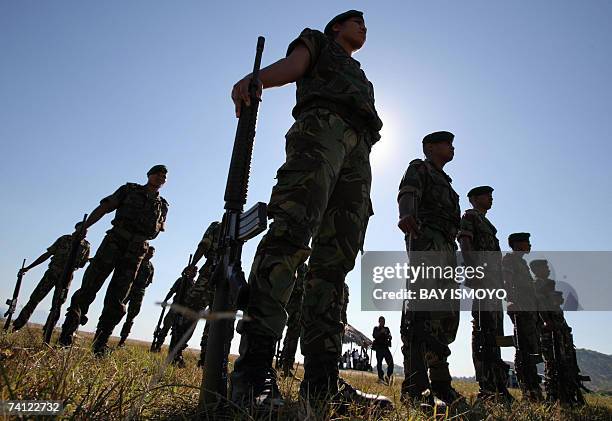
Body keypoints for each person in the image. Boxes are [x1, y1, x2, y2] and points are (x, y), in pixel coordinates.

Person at [229, 10, 391, 414]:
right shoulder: (317, 42)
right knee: (291, 234)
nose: (363, 28)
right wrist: (257, 80)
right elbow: (294, 66)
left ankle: (322, 383)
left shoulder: (361, 75)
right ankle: (252, 373)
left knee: (334, 265)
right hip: (321, 131)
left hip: (360, 150)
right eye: (356, 22)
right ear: (337, 27)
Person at [58, 165, 169, 356]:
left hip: (135, 252)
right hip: (114, 242)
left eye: (164, 176)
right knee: (90, 286)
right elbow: (105, 207)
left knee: (118, 298)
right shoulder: (129, 190)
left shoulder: (163, 206)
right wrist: (85, 226)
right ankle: (67, 335)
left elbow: (156, 232)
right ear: (149, 175)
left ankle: (100, 344)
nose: (160, 177)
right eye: (157, 174)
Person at [397, 131, 465, 409]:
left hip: (447, 250)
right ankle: (415, 387)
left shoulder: (449, 186)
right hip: (426, 241)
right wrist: (406, 213)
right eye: (447, 143)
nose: (452, 148)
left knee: (445, 316)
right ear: (430, 147)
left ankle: (441, 383)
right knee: (420, 313)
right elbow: (407, 192)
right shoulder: (419, 167)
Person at [457, 186, 513, 403]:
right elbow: (465, 243)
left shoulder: (488, 224)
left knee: (495, 332)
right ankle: (487, 387)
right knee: (483, 330)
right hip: (483, 281)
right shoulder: (470, 216)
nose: (491, 198)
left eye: (491, 195)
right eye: (486, 195)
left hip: (494, 284)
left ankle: (498, 385)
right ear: (474, 199)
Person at [11, 222, 91, 331]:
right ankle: (17, 326)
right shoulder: (64, 239)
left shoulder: (86, 246)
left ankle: (47, 332)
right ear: (76, 229)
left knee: (57, 305)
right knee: (35, 299)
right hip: (52, 273)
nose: (85, 233)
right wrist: (29, 267)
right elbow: (47, 254)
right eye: (82, 230)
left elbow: (82, 264)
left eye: (86, 231)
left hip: (66, 278)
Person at [531, 259, 589, 405]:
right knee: (552, 363)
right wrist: (547, 322)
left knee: (565, 362)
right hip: (549, 330)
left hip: (559, 327)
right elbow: (539, 305)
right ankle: (555, 396)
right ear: (537, 269)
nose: (548, 270)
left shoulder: (548, 285)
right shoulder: (538, 285)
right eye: (545, 267)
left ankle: (567, 395)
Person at [502, 232, 543, 401]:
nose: (530, 245)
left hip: (529, 310)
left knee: (530, 347)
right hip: (521, 310)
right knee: (524, 348)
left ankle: (533, 388)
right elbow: (506, 281)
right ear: (518, 244)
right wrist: (512, 301)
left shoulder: (522, 263)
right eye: (527, 242)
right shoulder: (510, 260)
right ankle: (529, 390)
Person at [149, 264, 198, 365]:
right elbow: (172, 291)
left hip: (184, 311)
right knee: (166, 327)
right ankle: (157, 346)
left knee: (177, 331)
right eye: (192, 271)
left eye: (195, 272)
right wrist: (165, 300)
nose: (194, 273)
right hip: (175, 307)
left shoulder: (194, 284)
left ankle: (174, 353)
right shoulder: (181, 280)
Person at [117, 246, 155, 347]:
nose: (150, 255)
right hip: (129, 289)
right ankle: (105, 333)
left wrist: (140, 287)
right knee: (118, 310)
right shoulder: (138, 260)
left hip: (139, 292)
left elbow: (148, 282)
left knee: (131, 317)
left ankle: (122, 340)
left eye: (152, 254)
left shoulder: (151, 267)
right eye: (149, 253)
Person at [279, 263, 307, 378]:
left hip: (297, 307)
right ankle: (284, 364)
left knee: (292, 336)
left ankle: (287, 365)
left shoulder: (304, 267)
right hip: (292, 306)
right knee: (292, 336)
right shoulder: (299, 265)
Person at [372, 316, 394, 385]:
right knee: (379, 364)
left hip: (385, 348)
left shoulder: (387, 329)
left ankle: (388, 377)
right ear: (379, 321)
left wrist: (388, 335)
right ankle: (380, 378)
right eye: (381, 321)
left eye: (383, 321)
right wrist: (381, 332)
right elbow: (374, 335)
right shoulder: (376, 328)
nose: (383, 322)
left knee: (391, 363)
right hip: (379, 348)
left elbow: (390, 336)